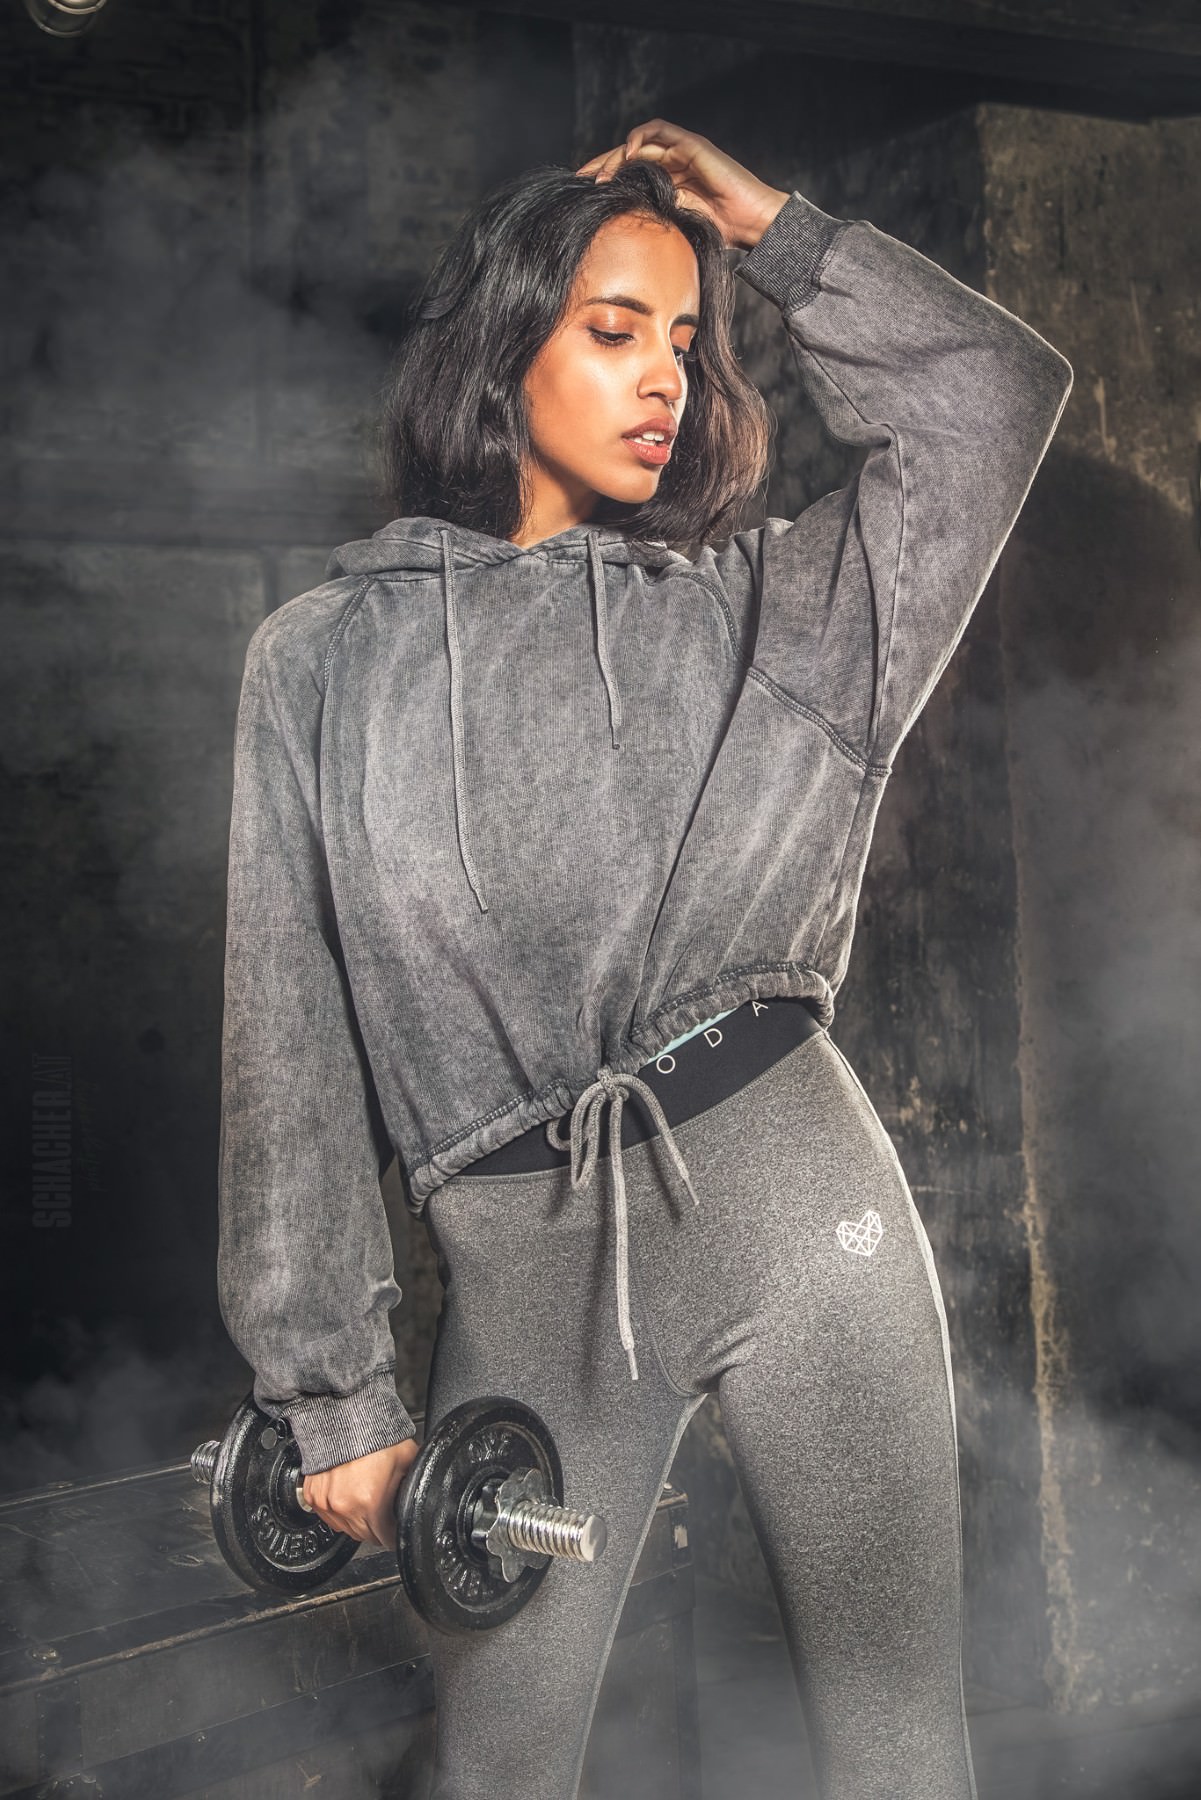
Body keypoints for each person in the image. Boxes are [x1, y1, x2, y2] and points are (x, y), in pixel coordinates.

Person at [217, 119, 1073, 1799]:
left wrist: (777, 233)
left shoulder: (770, 616)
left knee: (899, 1751)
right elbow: (284, 1050)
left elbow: (989, 397)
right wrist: (332, 1396)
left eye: (686, 338)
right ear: (501, 352)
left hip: (800, 1210)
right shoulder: (320, 664)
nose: (665, 375)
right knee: (497, 1770)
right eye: (614, 330)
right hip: (526, 1277)